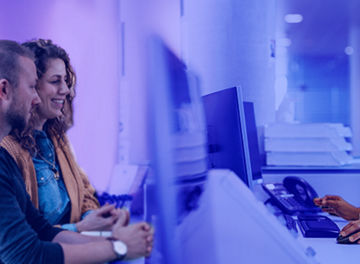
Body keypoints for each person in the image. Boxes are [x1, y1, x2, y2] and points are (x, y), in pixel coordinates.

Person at [0, 39, 153, 263]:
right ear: (4, 90)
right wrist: (118, 247)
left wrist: (112, 241)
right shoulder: (8, 153)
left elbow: (43, 231)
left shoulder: (7, 158)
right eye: (33, 87)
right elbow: (27, 255)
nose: (35, 98)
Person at [1, 39, 115, 232]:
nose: (66, 90)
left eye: (66, 81)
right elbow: (22, 239)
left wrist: (96, 218)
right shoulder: (8, 150)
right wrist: (79, 229)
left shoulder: (57, 138)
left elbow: (84, 192)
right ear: (32, 85)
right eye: (55, 81)